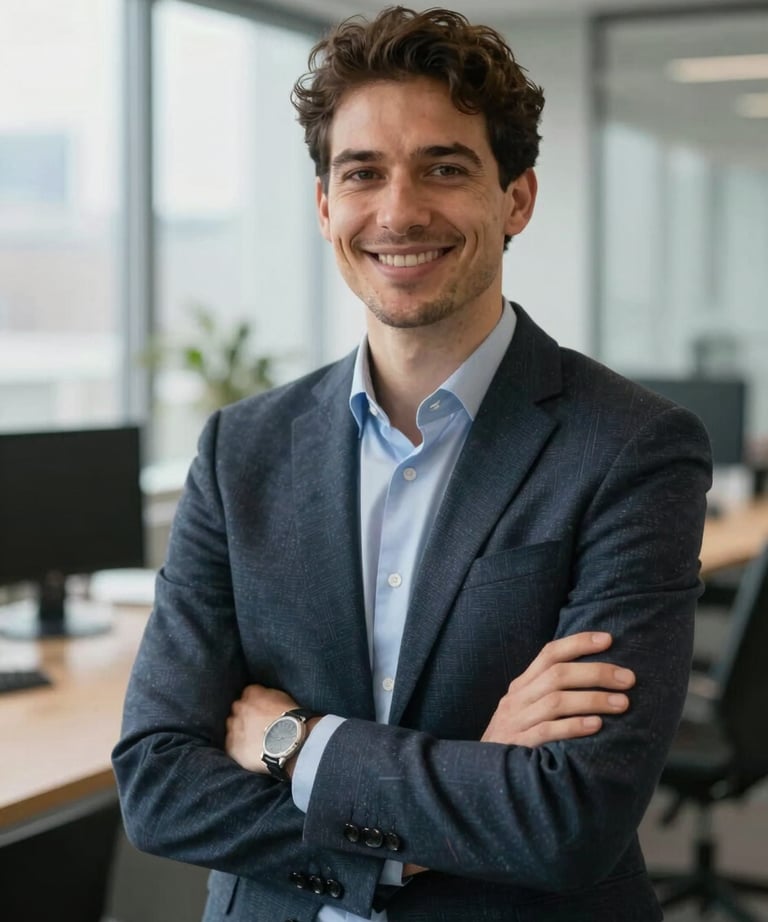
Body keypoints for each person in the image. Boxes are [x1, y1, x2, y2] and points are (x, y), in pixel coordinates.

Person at [112, 7, 712, 921]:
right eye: (363, 173)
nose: (398, 211)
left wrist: (294, 743)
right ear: (324, 207)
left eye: (444, 167)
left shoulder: (631, 448)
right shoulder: (241, 451)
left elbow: (571, 815)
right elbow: (159, 783)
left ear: (515, 199)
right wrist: (426, 834)